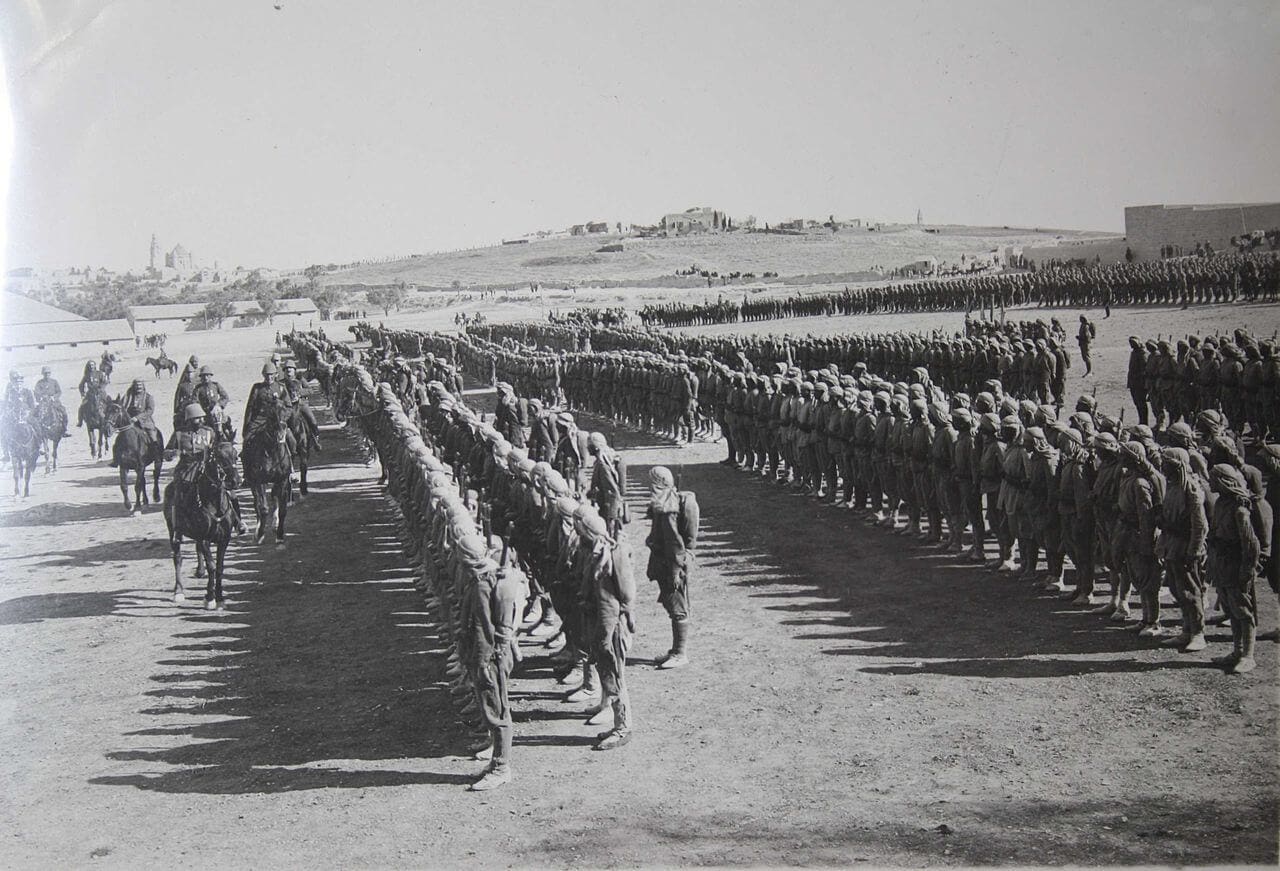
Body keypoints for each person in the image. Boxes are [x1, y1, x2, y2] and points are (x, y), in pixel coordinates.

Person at [461, 533, 525, 790]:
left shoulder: (486, 584)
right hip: (485, 655)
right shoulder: (484, 579)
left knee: (497, 710)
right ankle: (497, 759)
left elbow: (488, 627)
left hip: (490, 656)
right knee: (492, 707)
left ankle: (501, 767)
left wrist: (485, 660)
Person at [579, 506, 636, 751]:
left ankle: (623, 728)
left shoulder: (612, 555)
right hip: (602, 624)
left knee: (616, 676)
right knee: (608, 672)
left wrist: (623, 616)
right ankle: (616, 723)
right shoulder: (597, 552)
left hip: (613, 626)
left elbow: (626, 593)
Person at [1206, 464, 1262, 675]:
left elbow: (1251, 545)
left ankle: (1248, 655)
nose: (1209, 482)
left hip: (1235, 565)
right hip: (1221, 563)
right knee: (1230, 607)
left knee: (1243, 611)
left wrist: (1247, 570)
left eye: (1213, 479)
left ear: (1223, 481)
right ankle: (1237, 651)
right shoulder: (1222, 503)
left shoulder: (1240, 510)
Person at [644, 466, 698, 669]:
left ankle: (680, 653)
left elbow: (675, 544)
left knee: (677, 607)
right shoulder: (664, 503)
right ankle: (675, 649)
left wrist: (676, 570)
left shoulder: (669, 509)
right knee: (671, 604)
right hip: (665, 561)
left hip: (671, 564)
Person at [165, 402, 246, 535]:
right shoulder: (179, 434)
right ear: (189, 419)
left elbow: (220, 446)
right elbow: (167, 452)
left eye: (202, 417)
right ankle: (178, 526)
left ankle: (238, 522)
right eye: (198, 418)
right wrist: (173, 453)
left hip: (207, 467)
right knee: (178, 493)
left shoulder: (209, 432)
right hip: (187, 470)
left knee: (229, 492)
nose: (201, 420)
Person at [112, 378, 164, 466]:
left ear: (143, 386)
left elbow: (150, 410)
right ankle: (116, 459)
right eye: (136, 385)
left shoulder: (148, 397)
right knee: (118, 440)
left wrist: (138, 418)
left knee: (153, 437)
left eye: (140, 385)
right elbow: (122, 407)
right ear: (133, 386)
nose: (138, 387)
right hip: (130, 422)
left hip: (145, 422)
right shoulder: (128, 396)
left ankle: (156, 456)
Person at [586, 431, 626, 537]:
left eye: (589, 446)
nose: (587, 448)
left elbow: (612, 490)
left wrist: (611, 514)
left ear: (596, 447)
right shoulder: (604, 459)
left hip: (608, 507)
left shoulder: (603, 465)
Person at [280, 361, 322, 451]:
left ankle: (316, 438)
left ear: (294, 370)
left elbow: (310, 390)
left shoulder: (300, 379)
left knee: (311, 419)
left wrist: (299, 393)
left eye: (290, 368)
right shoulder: (281, 383)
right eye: (286, 369)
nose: (288, 370)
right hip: (287, 407)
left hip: (301, 405)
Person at [33, 366, 72, 438]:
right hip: (43, 404)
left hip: (54, 403)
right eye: (45, 373)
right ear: (43, 374)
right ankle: (36, 432)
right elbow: (36, 393)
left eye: (48, 373)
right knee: (35, 414)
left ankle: (64, 430)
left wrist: (54, 397)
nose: (47, 375)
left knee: (64, 412)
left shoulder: (54, 382)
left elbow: (59, 392)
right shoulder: (39, 383)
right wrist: (40, 397)